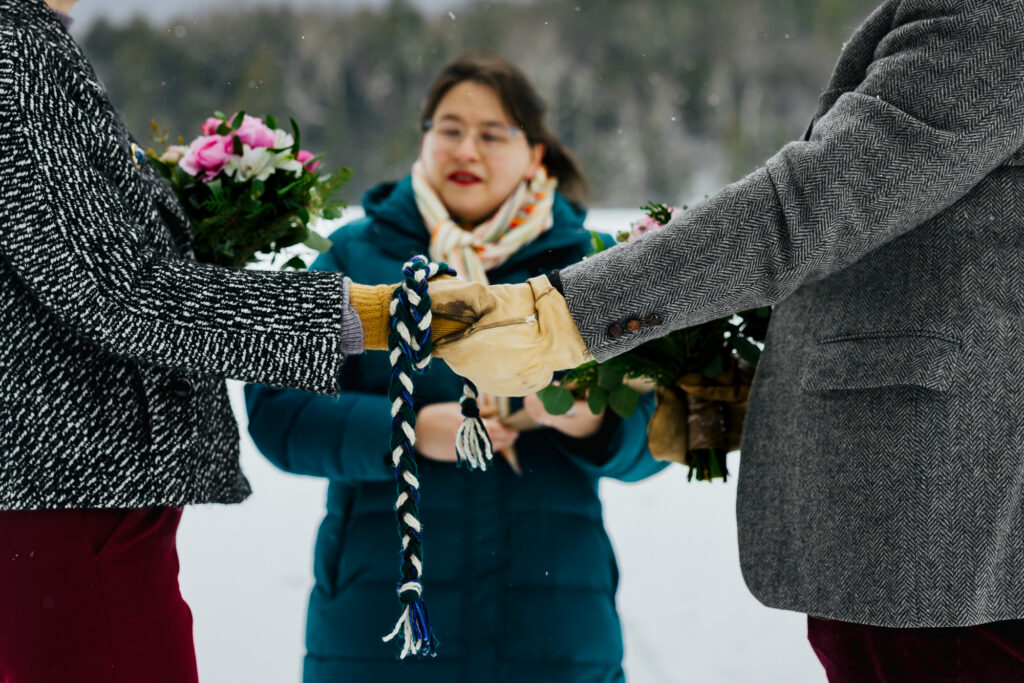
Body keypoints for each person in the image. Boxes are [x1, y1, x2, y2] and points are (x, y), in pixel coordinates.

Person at [429, 1, 1024, 680]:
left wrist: (565, 320)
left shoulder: (994, 13)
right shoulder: (361, 248)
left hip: (947, 556)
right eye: (447, 128)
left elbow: (815, 203)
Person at [0, 1, 422, 681]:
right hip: (67, 513)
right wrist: (366, 316)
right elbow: (119, 291)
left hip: (66, 505)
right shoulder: (14, 54)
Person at [244, 51, 666, 683]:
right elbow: (280, 415)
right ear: (423, 140)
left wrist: (594, 421)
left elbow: (661, 432)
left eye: (493, 134)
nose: (467, 149)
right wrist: (404, 432)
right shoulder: (352, 258)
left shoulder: (592, 267)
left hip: (553, 634)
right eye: (449, 129)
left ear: (535, 154)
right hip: (381, 633)